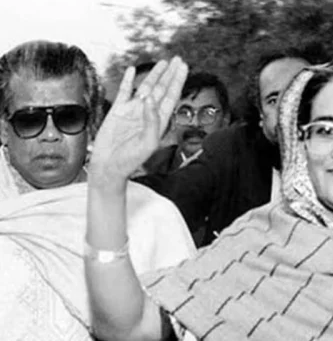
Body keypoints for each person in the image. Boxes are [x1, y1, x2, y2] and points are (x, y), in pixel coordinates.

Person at [85, 55, 333, 341]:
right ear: (301, 145)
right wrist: (106, 183)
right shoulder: (253, 248)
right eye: (325, 130)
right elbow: (127, 327)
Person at [0, 41, 195, 340]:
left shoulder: (151, 217)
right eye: (30, 120)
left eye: (68, 118)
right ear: (3, 128)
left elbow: (185, 327)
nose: (50, 135)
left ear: (91, 125)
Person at [135, 49, 312, 246]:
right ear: (261, 116)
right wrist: (111, 179)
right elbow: (172, 195)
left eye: (298, 93)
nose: (287, 108)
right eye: (273, 100)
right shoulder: (233, 152)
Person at [142, 72, 231, 175]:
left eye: (207, 113)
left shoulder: (245, 168)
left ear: (225, 119)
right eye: (184, 113)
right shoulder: (149, 168)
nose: (195, 123)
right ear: (173, 119)